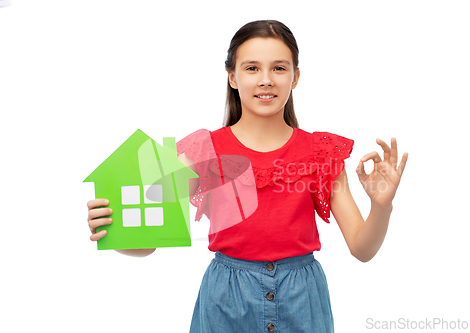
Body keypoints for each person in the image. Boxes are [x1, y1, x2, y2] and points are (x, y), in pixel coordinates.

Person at [87, 20, 408, 332]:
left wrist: (381, 205)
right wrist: (113, 230)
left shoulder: (320, 152)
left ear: (295, 78)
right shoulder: (204, 151)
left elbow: (361, 249)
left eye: (279, 68)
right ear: (232, 77)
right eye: (252, 68)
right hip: (226, 302)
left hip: (302, 301)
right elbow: (150, 240)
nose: (266, 79)